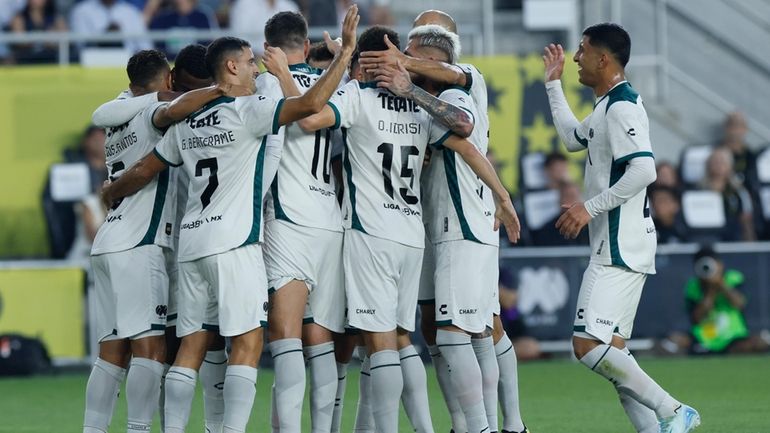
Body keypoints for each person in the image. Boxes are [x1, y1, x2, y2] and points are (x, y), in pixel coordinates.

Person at [100, 7, 360, 432]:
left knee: (191, 346)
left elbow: (145, 169)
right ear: (232, 66)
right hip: (237, 242)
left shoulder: (187, 122)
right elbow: (312, 105)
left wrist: (110, 191)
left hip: (192, 244)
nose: (258, 69)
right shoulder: (251, 112)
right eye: (252, 62)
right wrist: (344, 53)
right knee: (248, 342)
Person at [279, 24, 518, 433]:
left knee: (380, 342)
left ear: (364, 64)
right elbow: (467, 145)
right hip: (412, 236)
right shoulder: (420, 105)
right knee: (403, 338)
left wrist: (288, 73)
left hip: (370, 233)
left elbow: (307, 120)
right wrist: (502, 195)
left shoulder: (359, 96)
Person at [360, 10, 529, 433]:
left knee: (464, 333)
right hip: (434, 228)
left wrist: (403, 73)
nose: (403, 59)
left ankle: (490, 426)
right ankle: (483, 425)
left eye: (410, 53)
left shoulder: (461, 86)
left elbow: (464, 130)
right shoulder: (417, 100)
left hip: (462, 226)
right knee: (453, 331)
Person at [543, 23, 700, 433]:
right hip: (625, 244)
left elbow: (645, 170)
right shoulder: (605, 106)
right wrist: (553, 86)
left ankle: (671, 409)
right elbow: (571, 139)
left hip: (617, 246)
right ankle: (656, 429)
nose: (576, 58)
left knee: (585, 345)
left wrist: (589, 208)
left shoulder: (623, 106)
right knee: (613, 352)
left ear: (603, 58)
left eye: (582, 50)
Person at [83, 49, 232, 433]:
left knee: (111, 353)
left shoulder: (122, 111)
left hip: (108, 240)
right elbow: (168, 113)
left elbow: (103, 114)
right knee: (151, 351)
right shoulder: (151, 113)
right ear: (167, 78)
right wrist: (224, 87)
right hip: (140, 241)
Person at [255, 11, 345, 433]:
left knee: (286, 336)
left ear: (268, 47)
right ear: (307, 46)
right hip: (332, 220)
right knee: (320, 342)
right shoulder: (333, 83)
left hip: (289, 219)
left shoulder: (267, 82)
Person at [686, 246, 770, 354]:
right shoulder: (693, 287)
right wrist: (710, 291)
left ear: (720, 264)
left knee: (759, 342)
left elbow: (740, 304)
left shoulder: (733, 278)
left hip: (734, 337)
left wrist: (721, 284)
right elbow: (697, 318)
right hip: (705, 338)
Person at [698, 146, 755, 241]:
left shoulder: (739, 192)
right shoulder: (699, 190)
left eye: (722, 162)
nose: (718, 165)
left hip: (734, 237)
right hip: (707, 236)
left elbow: (746, 219)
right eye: (715, 161)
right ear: (708, 165)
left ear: (730, 166)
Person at [69, 0, 152, 54]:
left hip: (130, 65)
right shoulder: (81, 10)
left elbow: (145, 46)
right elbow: (80, 45)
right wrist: (105, 36)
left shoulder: (131, 11)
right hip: (93, 64)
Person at [497, 268, 541, 361]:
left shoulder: (504, 273)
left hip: (506, 326)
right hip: (482, 330)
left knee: (531, 348)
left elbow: (509, 301)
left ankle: (500, 358)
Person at [149, 0, 219, 59]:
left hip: (198, 65)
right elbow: (153, 45)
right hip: (169, 64)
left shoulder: (204, 15)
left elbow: (214, 40)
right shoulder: (162, 17)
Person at [228, 0, 299, 56]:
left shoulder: (289, 6)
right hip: (252, 59)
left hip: (284, 58)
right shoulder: (244, 4)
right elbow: (239, 38)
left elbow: (296, 39)